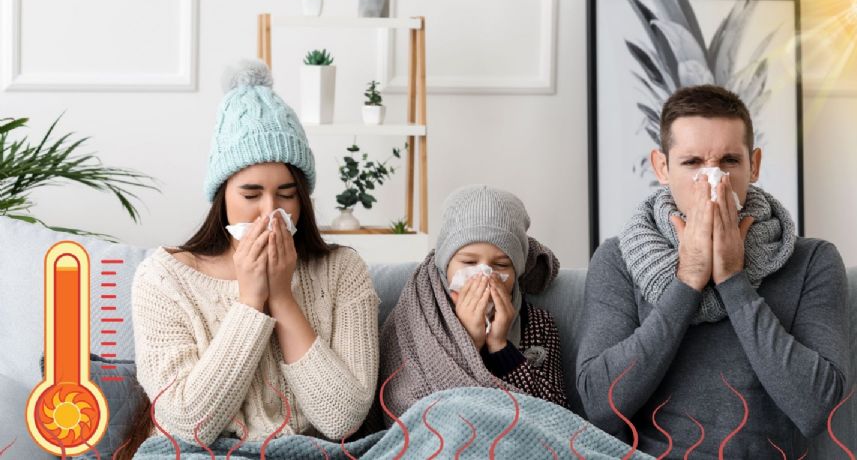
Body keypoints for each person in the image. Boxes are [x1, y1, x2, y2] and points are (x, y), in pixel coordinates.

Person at [576, 85, 849, 458]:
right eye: (692, 163)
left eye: (729, 162)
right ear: (662, 167)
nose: (712, 180)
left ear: (754, 165)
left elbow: (818, 408)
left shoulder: (812, 260)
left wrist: (734, 281)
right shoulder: (618, 258)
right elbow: (599, 405)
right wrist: (688, 280)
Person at [128, 60, 380, 453]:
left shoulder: (342, 270)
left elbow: (342, 419)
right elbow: (186, 426)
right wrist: (250, 301)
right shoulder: (163, 278)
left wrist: (281, 296)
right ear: (222, 196)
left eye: (286, 194)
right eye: (250, 195)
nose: (269, 212)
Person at [378, 185, 568, 419]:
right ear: (445, 264)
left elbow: (556, 413)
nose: (484, 275)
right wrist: (469, 343)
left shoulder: (538, 324)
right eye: (468, 262)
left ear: (517, 270)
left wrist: (500, 346)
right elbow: (403, 407)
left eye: (500, 265)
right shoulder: (416, 317)